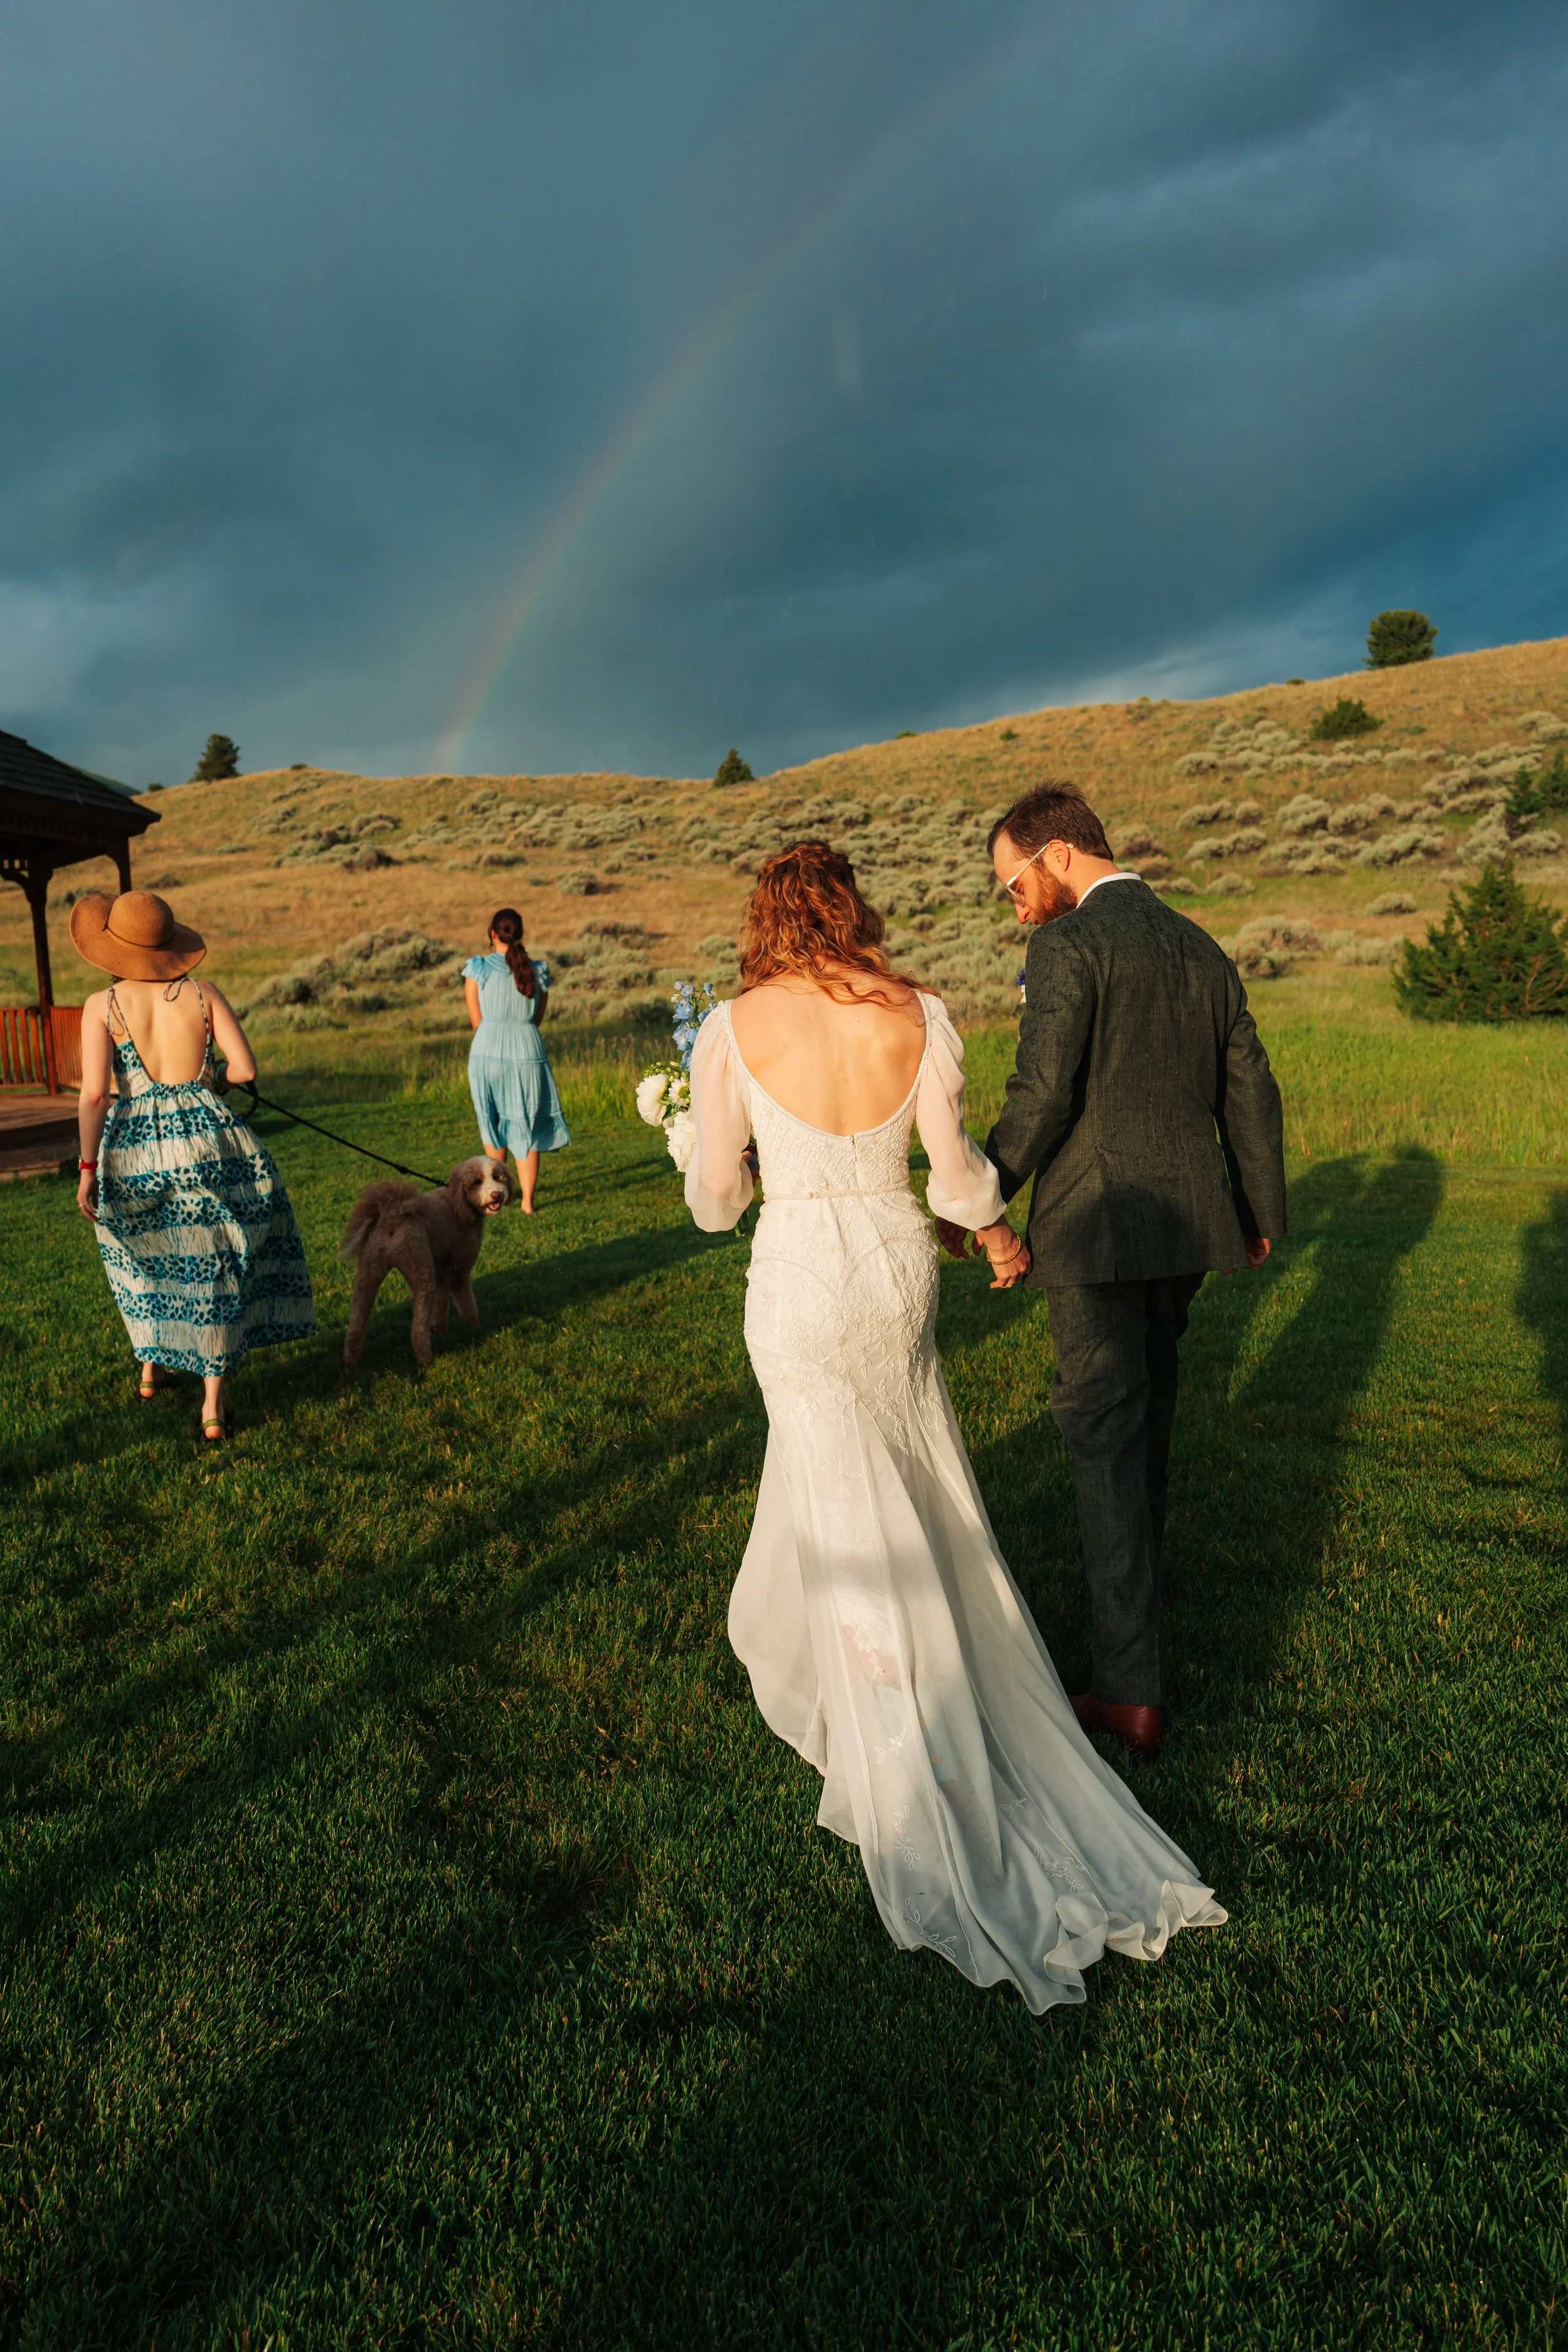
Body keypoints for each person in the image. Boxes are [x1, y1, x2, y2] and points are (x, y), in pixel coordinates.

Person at [684, 839, 1226, 2017]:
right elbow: (959, 1181)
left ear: (769, 917)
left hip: (798, 1278)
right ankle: (926, 1697)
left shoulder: (732, 1027)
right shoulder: (919, 1013)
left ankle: (908, 1756)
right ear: (852, 906)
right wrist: (991, 1235)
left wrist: (702, 1144)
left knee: (844, 1501)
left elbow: (715, 1205)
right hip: (890, 1274)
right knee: (916, 1482)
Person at [936, 783, 1287, 1765]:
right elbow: (1250, 1088)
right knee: (1147, 1427)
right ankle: (1137, 1646)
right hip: (1188, 1228)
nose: (1015, 905)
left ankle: (1130, 1690)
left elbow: (1041, 1091)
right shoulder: (1199, 944)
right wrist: (1258, 1213)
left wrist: (979, 1194)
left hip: (1094, 1228)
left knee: (1103, 1437)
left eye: (1013, 883)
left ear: (1058, 856)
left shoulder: (1068, 946)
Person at [70, 889, 316, 1441]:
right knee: (215, 1261)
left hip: (136, 1145)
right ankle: (212, 1408)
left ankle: (151, 1370)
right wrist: (208, 1085)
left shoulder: (101, 1006)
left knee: (146, 1252)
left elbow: (93, 1097)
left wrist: (88, 1168)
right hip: (211, 1138)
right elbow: (245, 1070)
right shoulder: (204, 994)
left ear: (113, 951)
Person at [462, 908, 569, 1213]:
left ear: (493, 934)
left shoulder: (478, 968)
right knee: (527, 1125)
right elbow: (537, 1018)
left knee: (493, 1119)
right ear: (519, 935)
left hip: (488, 1048)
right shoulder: (537, 970)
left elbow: (475, 1020)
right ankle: (528, 1202)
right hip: (527, 1048)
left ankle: (497, 1193)